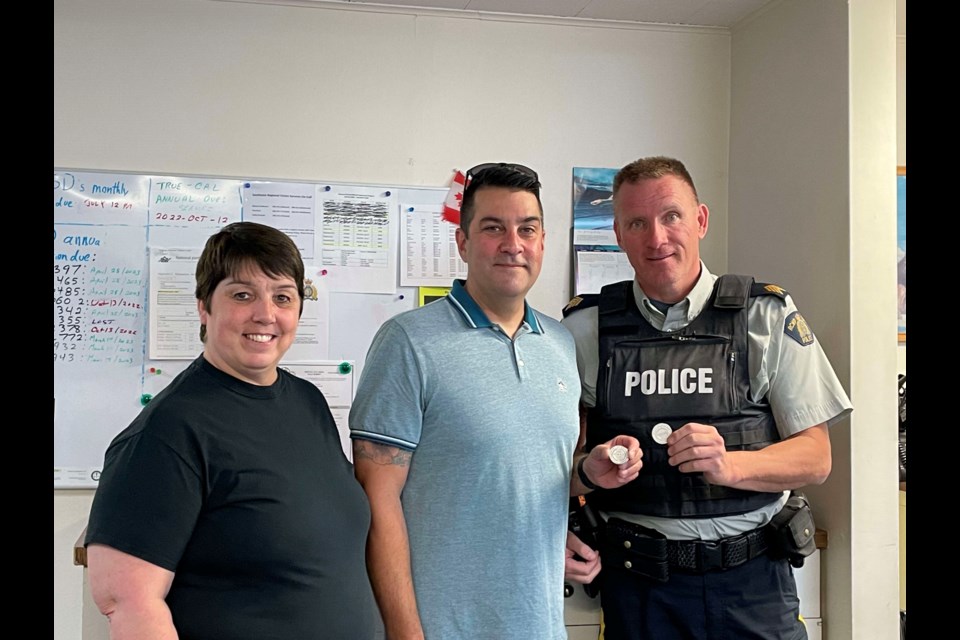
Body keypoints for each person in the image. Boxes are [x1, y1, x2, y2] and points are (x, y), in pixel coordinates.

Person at [562, 156, 853, 639]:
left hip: (753, 584)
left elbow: (816, 458)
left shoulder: (765, 317)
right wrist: (587, 472)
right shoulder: (584, 330)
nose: (656, 238)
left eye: (671, 216)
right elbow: (555, 467)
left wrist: (731, 465)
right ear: (618, 234)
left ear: (700, 220)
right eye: (637, 223)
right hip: (639, 589)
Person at [349, 163, 641, 640]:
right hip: (442, 628)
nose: (513, 243)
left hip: (539, 625)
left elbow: (522, 473)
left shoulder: (560, 344)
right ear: (463, 242)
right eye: (493, 228)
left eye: (527, 228)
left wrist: (587, 473)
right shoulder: (408, 342)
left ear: (542, 241)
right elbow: (377, 503)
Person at [84, 222, 377, 640]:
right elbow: (128, 604)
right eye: (242, 295)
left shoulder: (307, 401)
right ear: (204, 307)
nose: (265, 314)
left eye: (282, 297)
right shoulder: (168, 432)